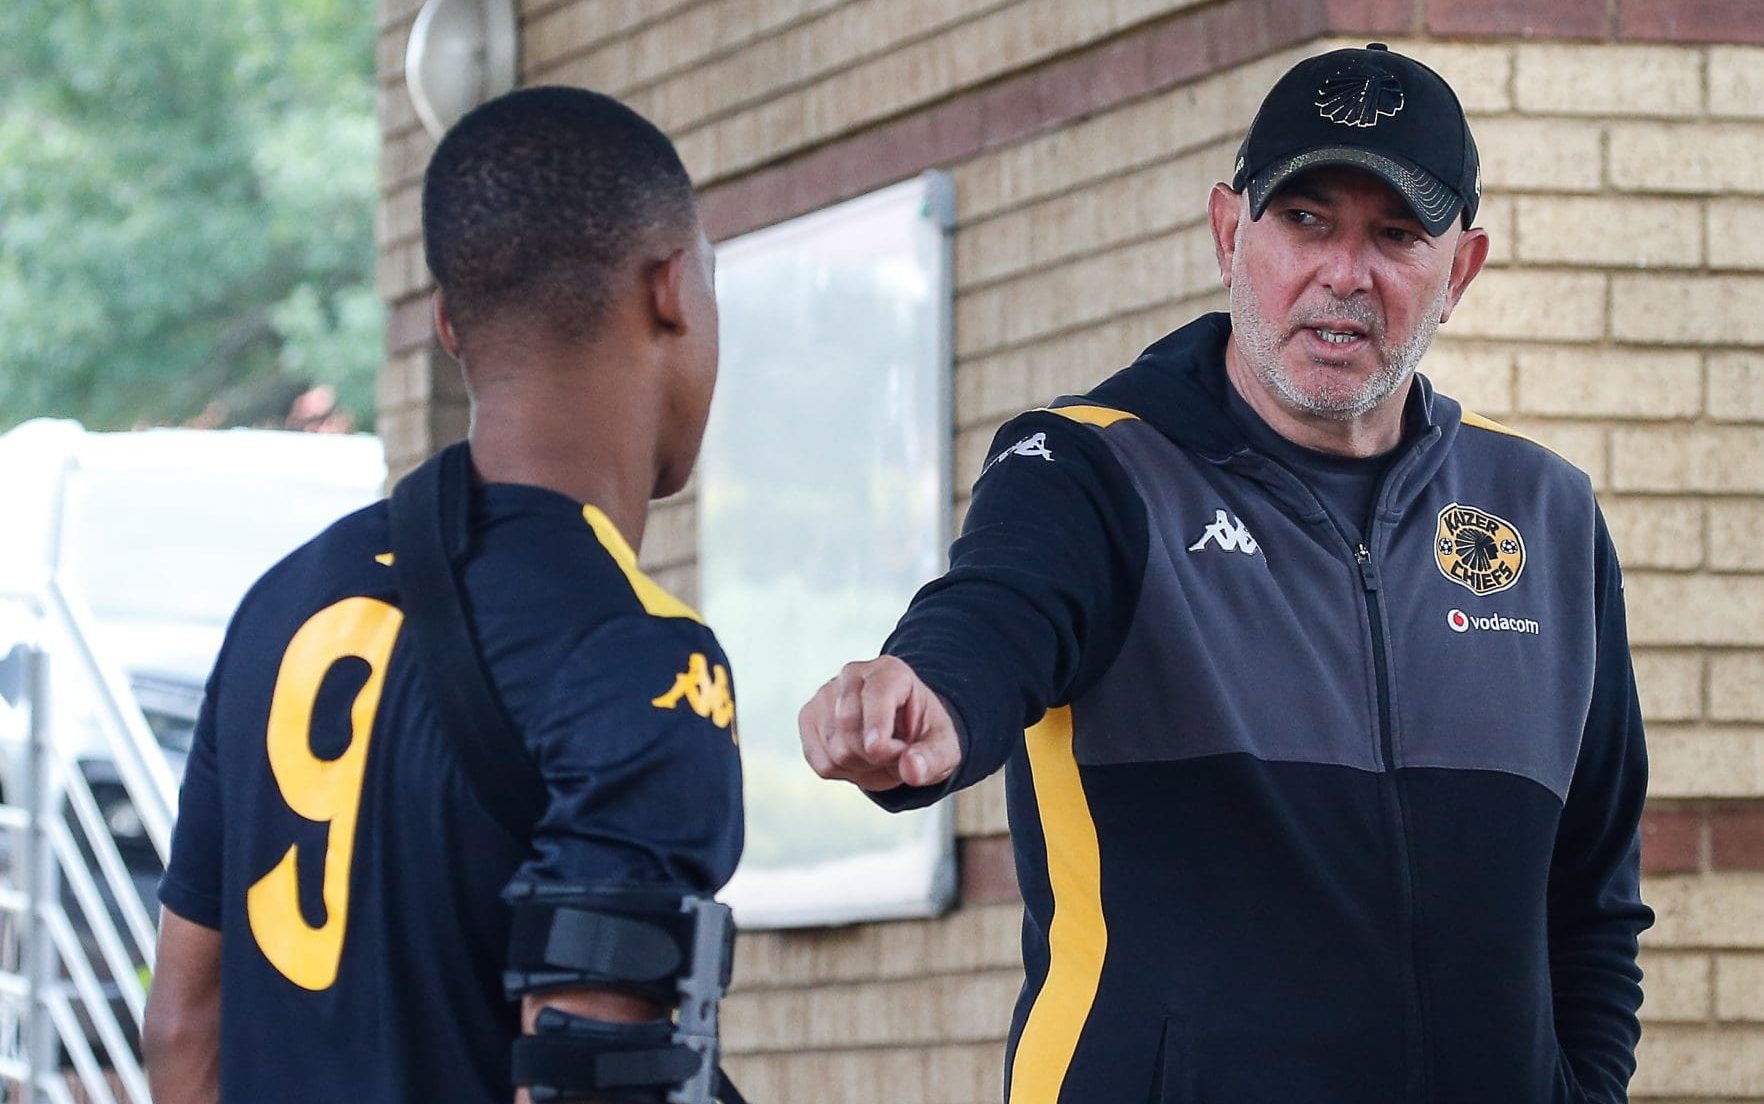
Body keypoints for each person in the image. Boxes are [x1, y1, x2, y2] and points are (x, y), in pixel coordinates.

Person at [800, 43, 1651, 1104]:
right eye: (1305, 220)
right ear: (1227, 232)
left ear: (1460, 273)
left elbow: (1593, 900)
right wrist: (926, 691)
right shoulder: (1093, 468)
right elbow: (998, 609)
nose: (1345, 272)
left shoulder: (1547, 515)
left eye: (1395, 235)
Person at [143, 86, 742, 1103]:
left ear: (450, 323)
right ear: (673, 290)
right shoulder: (644, 656)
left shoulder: (281, 608)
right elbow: (592, 1080)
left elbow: (180, 1031)